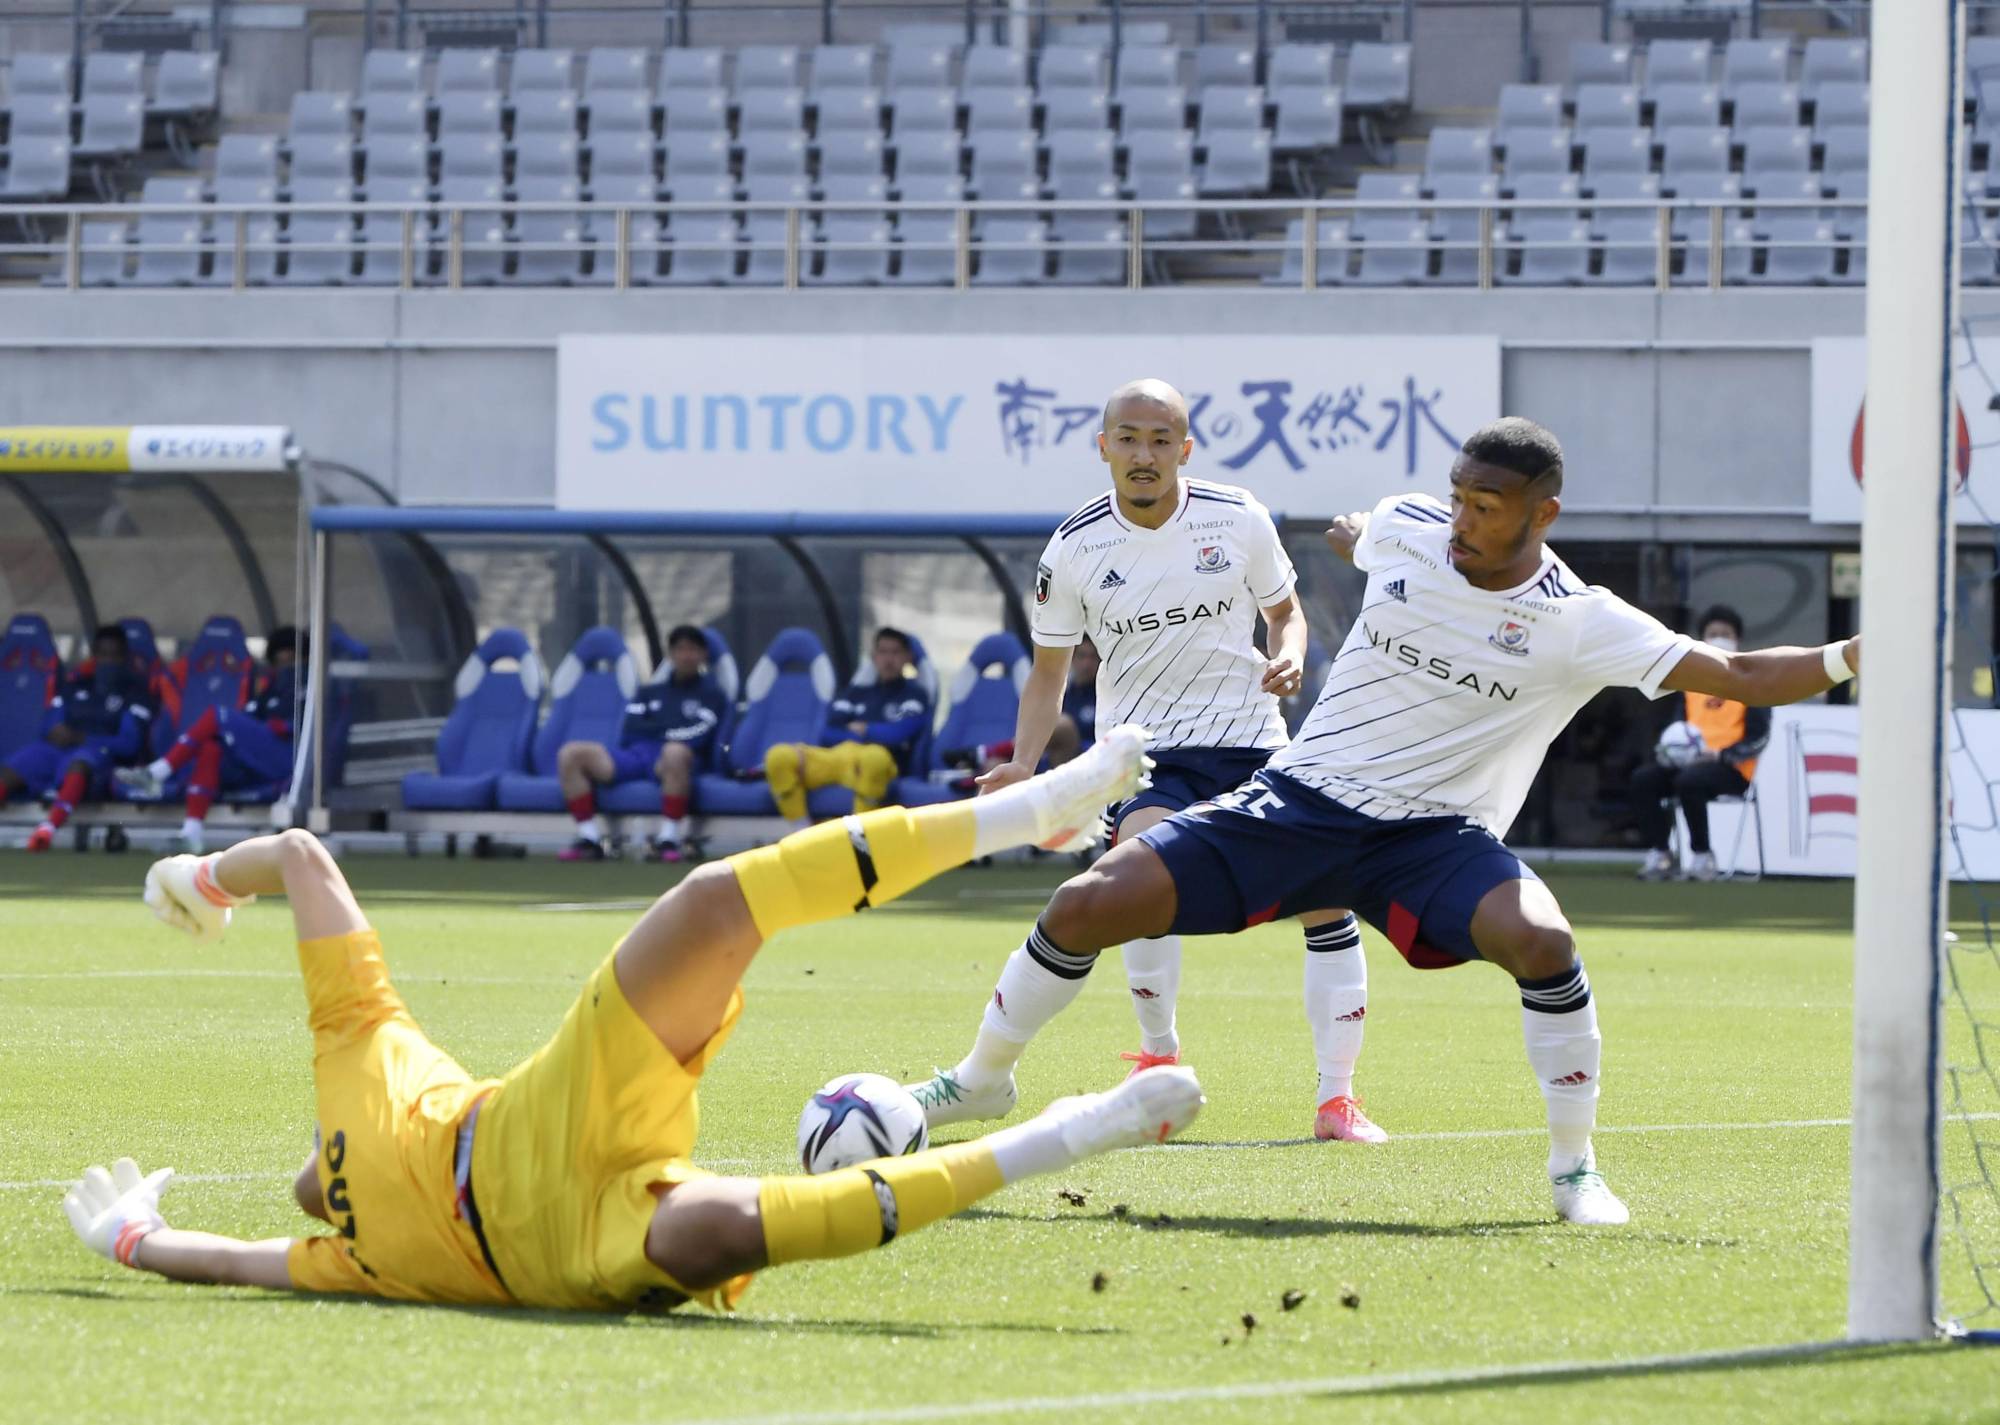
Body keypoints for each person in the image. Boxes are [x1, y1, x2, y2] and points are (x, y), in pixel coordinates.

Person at [908, 417, 1862, 1226]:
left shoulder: (1582, 620)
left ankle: (1574, 1170)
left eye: (1487, 507)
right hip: (1303, 800)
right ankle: (984, 1077)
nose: (1462, 519)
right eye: (1457, 496)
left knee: (1541, 939)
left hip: (1431, 837)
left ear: (1544, 516)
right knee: (1090, 899)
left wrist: (1859, 651)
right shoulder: (1411, 528)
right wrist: (1358, 531)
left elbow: (1740, 675)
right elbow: (1365, 536)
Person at [62, 728, 1206, 1309]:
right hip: (570, 1246)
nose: (315, 1178)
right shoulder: (350, 1256)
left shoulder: (358, 1057)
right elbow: (231, 1263)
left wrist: (213, 875)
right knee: (716, 1236)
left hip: (549, 1112)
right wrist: (131, 1239)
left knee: (711, 902)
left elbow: (305, 859)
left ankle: (1032, 808)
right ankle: (1064, 1131)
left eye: (315, 1173)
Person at [905, 378, 1383, 1147]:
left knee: (1329, 898)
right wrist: (1025, 764)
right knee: (1135, 869)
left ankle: (1338, 1100)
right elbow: (1049, 671)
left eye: (1161, 439)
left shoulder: (1238, 517)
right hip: (1150, 753)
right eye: (1127, 437)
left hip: (1254, 740)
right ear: (1104, 448)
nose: (1144, 453)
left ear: (1184, 450)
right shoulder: (1074, 547)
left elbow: (1284, 613)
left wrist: (1289, 656)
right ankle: (1157, 1057)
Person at [116, 626, 307, 853]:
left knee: (219, 715)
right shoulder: (272, 686)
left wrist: (281, 726)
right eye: (280, 660)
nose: (286, 665)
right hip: (260, 757)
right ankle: (191, 834)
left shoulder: (312, 684)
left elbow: (311, 727)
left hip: (289, 759)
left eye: (292, 658)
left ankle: (157, 772)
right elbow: (254, 715)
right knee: (210, 748)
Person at [556, 625, 730, 864]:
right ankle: (589, 839)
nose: (686, 655)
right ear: (671, 655)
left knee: (674, 751)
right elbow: (631, 728)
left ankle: (667, 840)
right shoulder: (649, 692)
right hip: (637, 755)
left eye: (693, 649)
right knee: (571, 753)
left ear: (703, 655)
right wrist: (664, 731)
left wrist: (660, 731)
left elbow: (700, 733)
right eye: (680, 649)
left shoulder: (712, 695)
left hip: (677, 761)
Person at [1630, 605, 1770, 882]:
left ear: (1737, 639)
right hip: (1689, 764)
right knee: (1643, 779)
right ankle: (1661, 853)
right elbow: (1678, 728)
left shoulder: (1752, 684)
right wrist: (1671, 751)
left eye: (1725, 633)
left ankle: (1702, 856)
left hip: (1731, 768)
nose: (1719, 638)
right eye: (1712, 633)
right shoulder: (1692, 684)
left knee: (1688, 782)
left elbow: (1759, 737)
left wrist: (1723, 755)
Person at [2, 623, 153, 853]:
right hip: (57, 750)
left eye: (114, 655)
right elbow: (48, 725)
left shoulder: (135, 692)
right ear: (94, 656)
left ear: (124, 657)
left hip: (98, 756)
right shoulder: (75, 686)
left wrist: (82, 737)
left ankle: (46, 831)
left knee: (80, 763)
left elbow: (129, 744)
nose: (107, 661)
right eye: (102, 655)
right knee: (15, 767)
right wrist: (56, 730)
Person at [763, 627, 931, 824]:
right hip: (838, 758)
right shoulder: (856, 693)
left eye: (895, 652)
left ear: (907, 658)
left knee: (873, 758)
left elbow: (898, 735)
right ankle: (802, 832)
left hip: (879, 763)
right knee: (779, 756)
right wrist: (862, 735)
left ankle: (857, 840)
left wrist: (865, 729)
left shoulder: (914, 695)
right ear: (874, 656)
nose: (888, 659)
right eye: (883, 652)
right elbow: (826, 734)